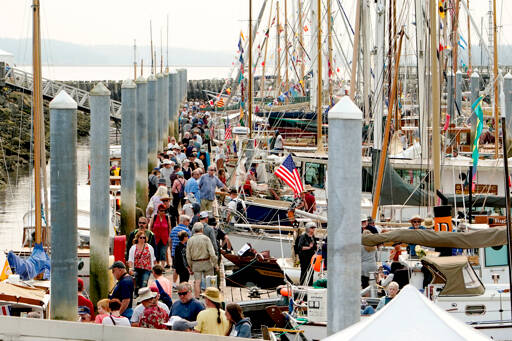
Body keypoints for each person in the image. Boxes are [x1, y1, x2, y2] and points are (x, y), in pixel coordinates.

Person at [186, 223, 217, 298]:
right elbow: (212, 253)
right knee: (209, 280)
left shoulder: (190, 240)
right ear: (202, 229)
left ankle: (197, 297)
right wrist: (215, 263)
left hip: (196, 263)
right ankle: (209, 296)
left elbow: (188, 255)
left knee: (197, 281)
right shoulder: (206, 239)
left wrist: (190, 265)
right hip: (207, 262)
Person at [297, 222, 317, 286]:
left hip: (311, 256)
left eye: (314, 228)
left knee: (311, 271)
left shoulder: (313, 237)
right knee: (304, 271)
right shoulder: (303, 236)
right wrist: (309, 247)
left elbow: (314, 246)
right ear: (308, 228)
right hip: (304, 257)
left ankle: (310, 285)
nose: (313, 229)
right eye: (312, 228)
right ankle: (302, 284)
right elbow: (300, 247)